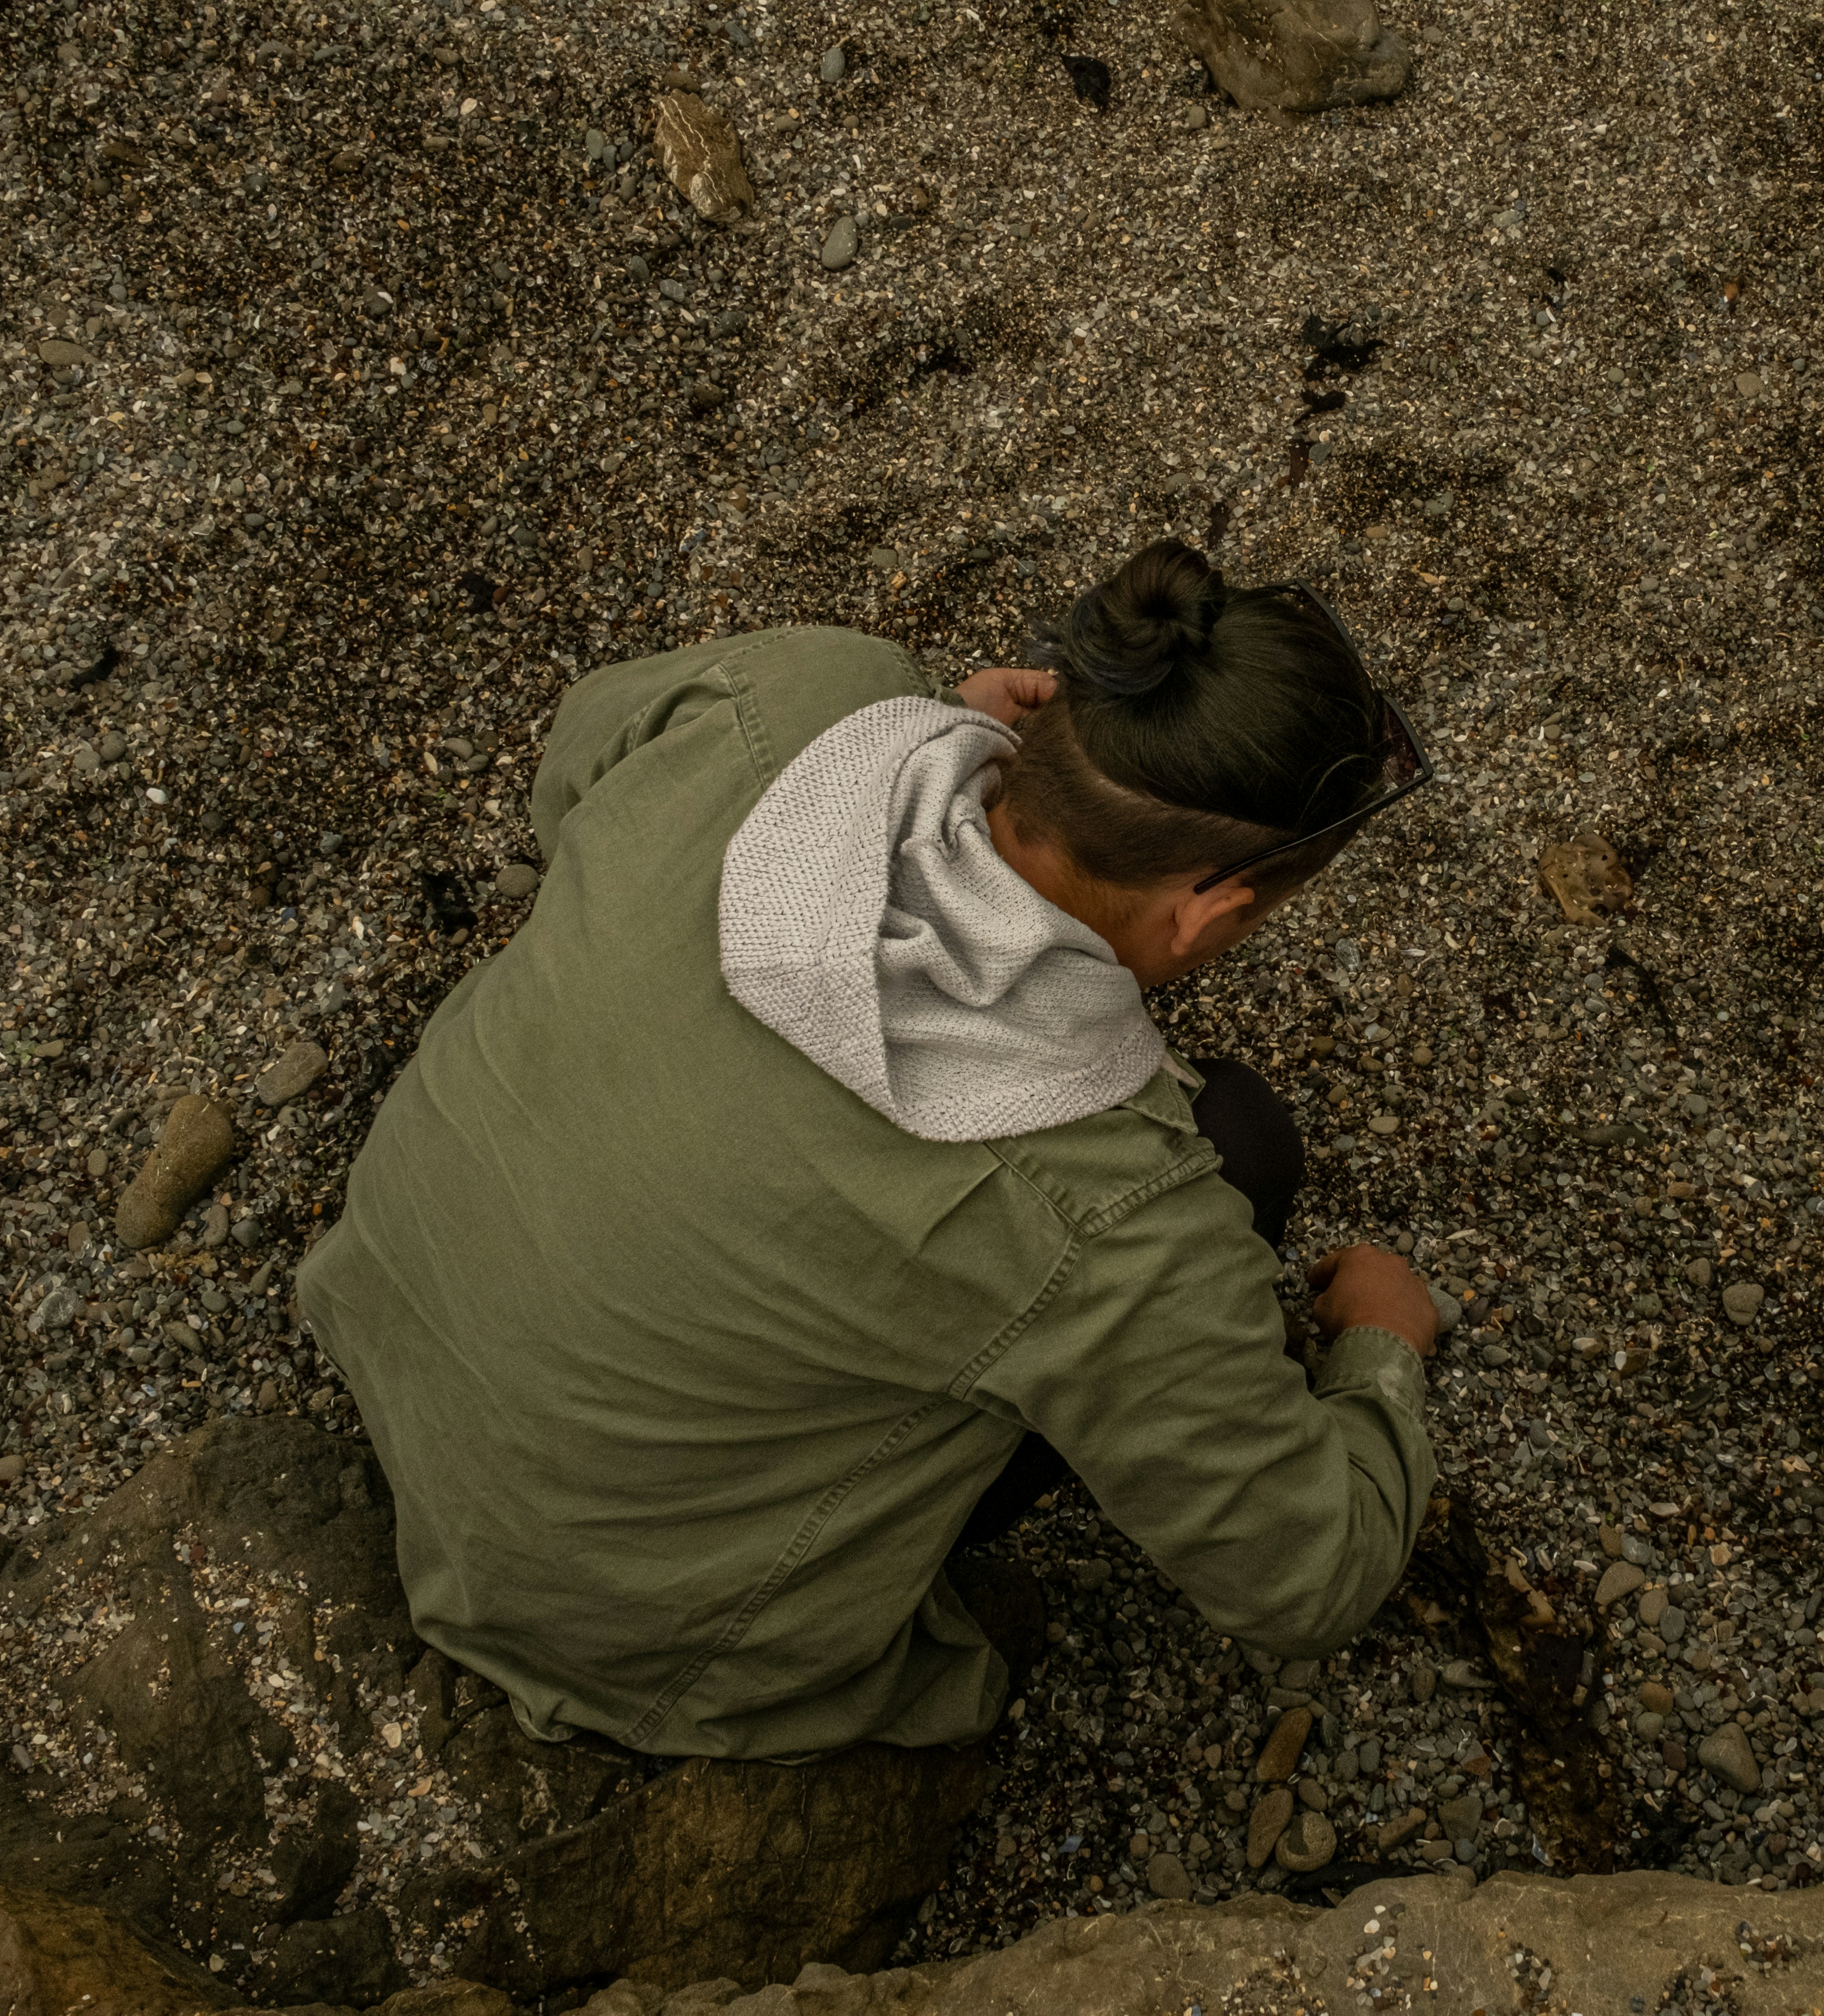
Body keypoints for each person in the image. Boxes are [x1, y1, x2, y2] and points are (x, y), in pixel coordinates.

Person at [298, 540, 1443, 1760]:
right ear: (1211, 907)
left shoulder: (801, 692)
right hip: (594, 1614)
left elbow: (572, 769)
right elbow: (1308, 1578)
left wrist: (911, 722)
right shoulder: (1109, 1209)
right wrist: (1383, 1347)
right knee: (1245, 1145)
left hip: (390, 1290)